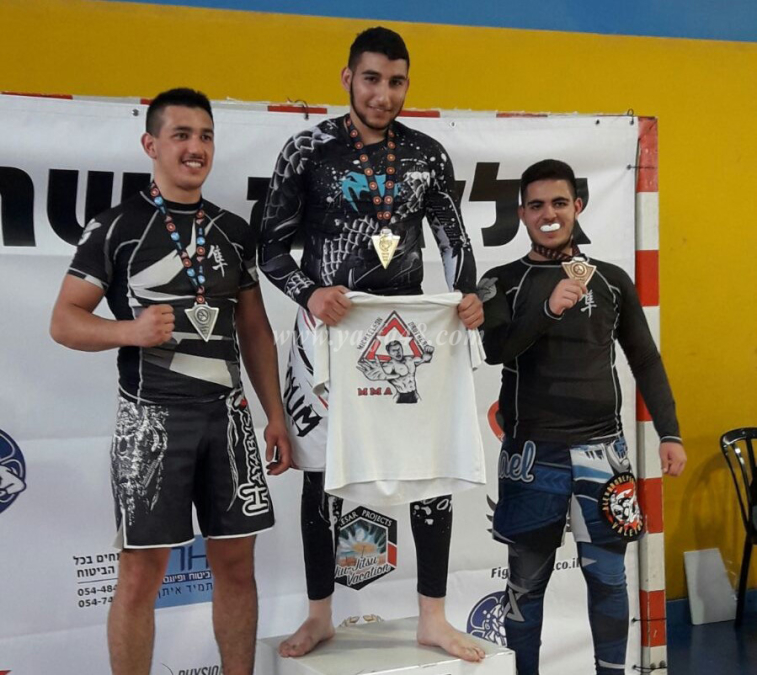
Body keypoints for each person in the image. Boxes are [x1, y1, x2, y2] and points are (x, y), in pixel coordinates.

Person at [259, 26, 485, 662]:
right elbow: (268, 247)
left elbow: (453, 238)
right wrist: (308, 292)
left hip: (405, 334)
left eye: (396, 81)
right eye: (371, 79)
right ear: (347, 78)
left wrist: (467, 294)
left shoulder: (427, 154)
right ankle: (319, 615)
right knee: (321, 473)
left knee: (427, 467)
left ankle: (433, 618)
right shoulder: (307, 149)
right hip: (329, 331)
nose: (383, 94)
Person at [50, 88, 292, 675]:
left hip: (229, 419)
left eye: (205, 136)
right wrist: (130, 332)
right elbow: (64, 322)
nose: (195, 148)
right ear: (151, 144)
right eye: (181, 135)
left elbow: (255, 330)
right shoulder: (115, 227)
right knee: (141, 574)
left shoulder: (234, 230)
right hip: (151, 420)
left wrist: (276, 415)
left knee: (236, 567)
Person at [479, 159, 687, 675]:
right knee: (525, 583)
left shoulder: (611, 280)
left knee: (609, 578)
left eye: (558, 202)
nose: (548, 214)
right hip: (533, 456)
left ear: (578, 206)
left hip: (603, 453)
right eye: (536, 205)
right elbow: (496, 350)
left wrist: (670, 432)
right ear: (521, 213)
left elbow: (645, 359)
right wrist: (547, 310)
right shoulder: (499, 280)